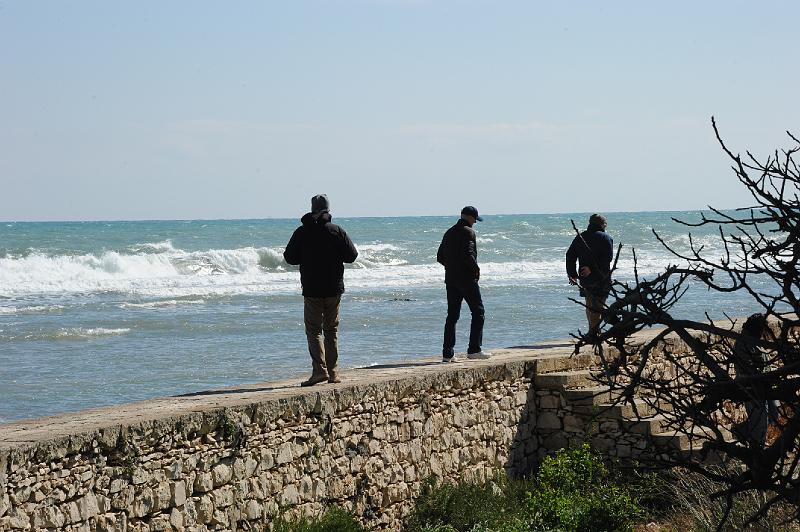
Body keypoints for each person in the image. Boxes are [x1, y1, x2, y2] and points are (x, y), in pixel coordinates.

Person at [284, 194, 358, 386]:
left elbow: (290, 257)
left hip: (311, 288)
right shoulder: (336, 231)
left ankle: (319, 371)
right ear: (328, 210)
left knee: (314, 331)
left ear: (312, 209)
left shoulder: (302, 232)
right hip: (334, 287)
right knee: (331, 330)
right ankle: (333, 373)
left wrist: (307, 256)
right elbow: (352, 256)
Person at [437, 206, 492, 362]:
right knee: (478, 312)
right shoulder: (468, 232)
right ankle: (474, 350)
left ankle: (448, 354)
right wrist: (476, 270)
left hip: (451, 279)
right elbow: (468, 255)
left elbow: (440, 256)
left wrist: (452, 267)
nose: (475, 222)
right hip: (466, 279)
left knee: (452, 316)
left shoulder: (449, 232)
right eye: (475, 219)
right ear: (469, 217)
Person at [732, 313, 780, 447]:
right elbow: (746, 369)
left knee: (774, 415)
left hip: (767, 385)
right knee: (760, 422)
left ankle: (742, 430)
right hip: (752, 388)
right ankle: (757, 448)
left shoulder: (757, 340)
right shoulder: (743, 343)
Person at [565, 214, 614, 332]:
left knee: (589, 305)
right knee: (598, 306)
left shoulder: (580, 237)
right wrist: (592, 269)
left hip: (585, 278)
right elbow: (607, 258)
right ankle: (594, 332)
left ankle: (592, 330)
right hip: (602, 277)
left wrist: (572, 274)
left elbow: (570, 255)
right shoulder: (606, 238)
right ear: (603, 224)